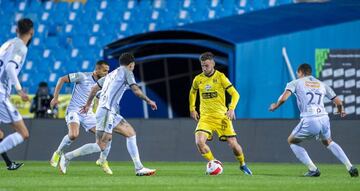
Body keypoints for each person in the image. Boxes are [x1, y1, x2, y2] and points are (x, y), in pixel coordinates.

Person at [58, 53, 157, 176]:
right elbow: (136, 90)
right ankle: (67, 157)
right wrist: (149, 101)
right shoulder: (127, 72)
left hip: (109, 112)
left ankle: (138, 168)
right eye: (133, 66)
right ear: (131, 64)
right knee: (101, 145)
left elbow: (94, 88)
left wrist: (88, 104)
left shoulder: (111, 74)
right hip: (106, 111)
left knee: (130, 133)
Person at [269, 63, 358, 177]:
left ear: (300, 72)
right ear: (309, 72)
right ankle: (350, 166)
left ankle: (313, 169)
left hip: (310, 119)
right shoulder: (322, 84)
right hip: (324, 119)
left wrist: (275, 106)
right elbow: (339, 102)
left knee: (292, 140)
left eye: (298, 73)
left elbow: (284, 98)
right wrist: (340, 110)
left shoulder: (295, 83)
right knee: (328, 141)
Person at [189, 52, 252, 175]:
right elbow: (192, 92)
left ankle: (242, 164)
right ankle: (213, 162)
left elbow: (235, 94)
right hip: (206, 118)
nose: (204, 68)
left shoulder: (221, 77)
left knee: (233, 144)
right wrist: (192, 108)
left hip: (222, 117)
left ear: (213, 63)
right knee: (199, 142)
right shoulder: (198, 79)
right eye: (202, 65)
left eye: (206, 65)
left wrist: (231, 108)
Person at [49, 60, 113, 174]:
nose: (107, 73)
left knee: (106, 136)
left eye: (108, 71)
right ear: (97, 69)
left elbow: (98, 98)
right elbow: (62, 79)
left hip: (88, 114)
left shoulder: (103, 83)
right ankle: (58, 153)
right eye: (104, 70)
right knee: (73, 135)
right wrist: (55, 97)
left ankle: (103, 160)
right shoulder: (82, 76)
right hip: (74, 111)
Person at [0, 18, 33, 158]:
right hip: (0, 92)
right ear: (32, 31)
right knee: (23, 133)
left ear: (17, 30)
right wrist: (19, 90)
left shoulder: (8, 43)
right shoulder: (21, 47)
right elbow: (9, 67)